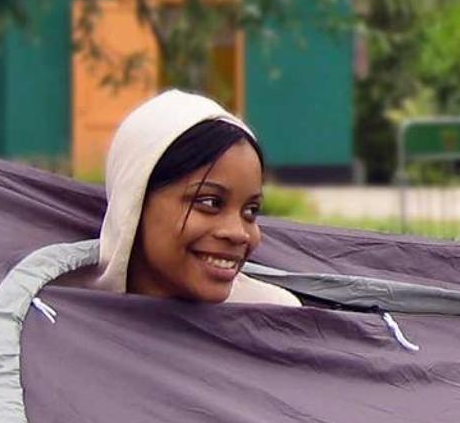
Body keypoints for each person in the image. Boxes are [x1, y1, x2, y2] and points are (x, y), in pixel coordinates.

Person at [86, 89, 300, 306]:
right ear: (134, 201)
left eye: (251, 210)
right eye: (210, 203)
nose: (238, 234)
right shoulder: (63, 319)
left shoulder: (274, 320)